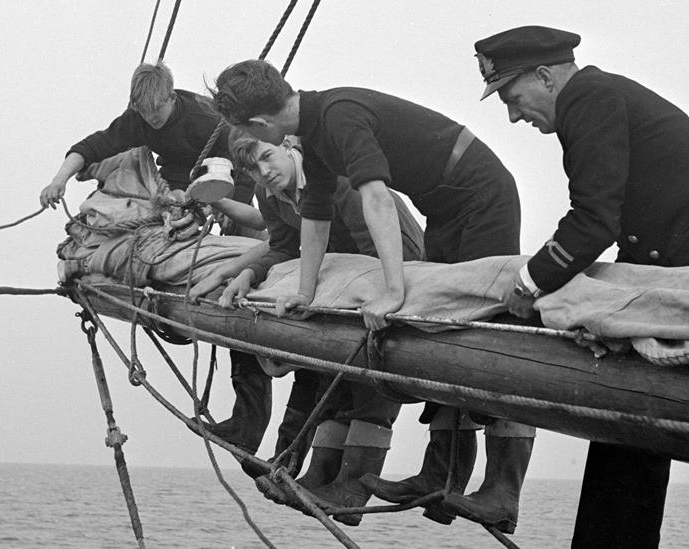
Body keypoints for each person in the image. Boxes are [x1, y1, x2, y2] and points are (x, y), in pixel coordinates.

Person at [471, 26, 689, 548]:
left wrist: (527, 285)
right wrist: (608, 313)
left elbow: (593, 222)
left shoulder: (589, 98)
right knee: (640, 409)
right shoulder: (599, 98)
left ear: (546, 76)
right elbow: (633, 231)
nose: (513, 114)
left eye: (511, 96)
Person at [211, 59, 535, 535]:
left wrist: (394, 290)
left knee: (483, 329)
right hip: (446, 205)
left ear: (259, 124)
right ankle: (439, 478)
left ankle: (503, 492)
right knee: (443, 334)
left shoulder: (338, 116)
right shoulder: (314, 128)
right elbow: (316, 216)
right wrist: (304, 291)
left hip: (481, 194)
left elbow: (377, 198)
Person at [39, 61, 273, 456]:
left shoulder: (204, 117)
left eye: (158, 112)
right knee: (200, 282)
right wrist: (58, 179)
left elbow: (247, 161)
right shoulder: (141, 118)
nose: (153, 121)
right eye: (144, 114)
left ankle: (250, 422)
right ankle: (242, 419)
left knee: (241, 295)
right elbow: (92, 146)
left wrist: (228, 209)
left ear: (170, 96)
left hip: (234, 189)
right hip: (180, 194)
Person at [221, 134, 425, 526]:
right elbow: (283, 246)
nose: (264, 172)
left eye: (267, 157)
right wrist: (249, 272)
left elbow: (385, 247)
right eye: (252, 169)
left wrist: (355, 294)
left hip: (392, 265)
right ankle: (315, 475)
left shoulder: (340, 182)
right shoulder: (270, 194)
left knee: (370, 382)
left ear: (287, 145)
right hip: (337, 283)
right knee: (325, 374)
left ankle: (351, 488)